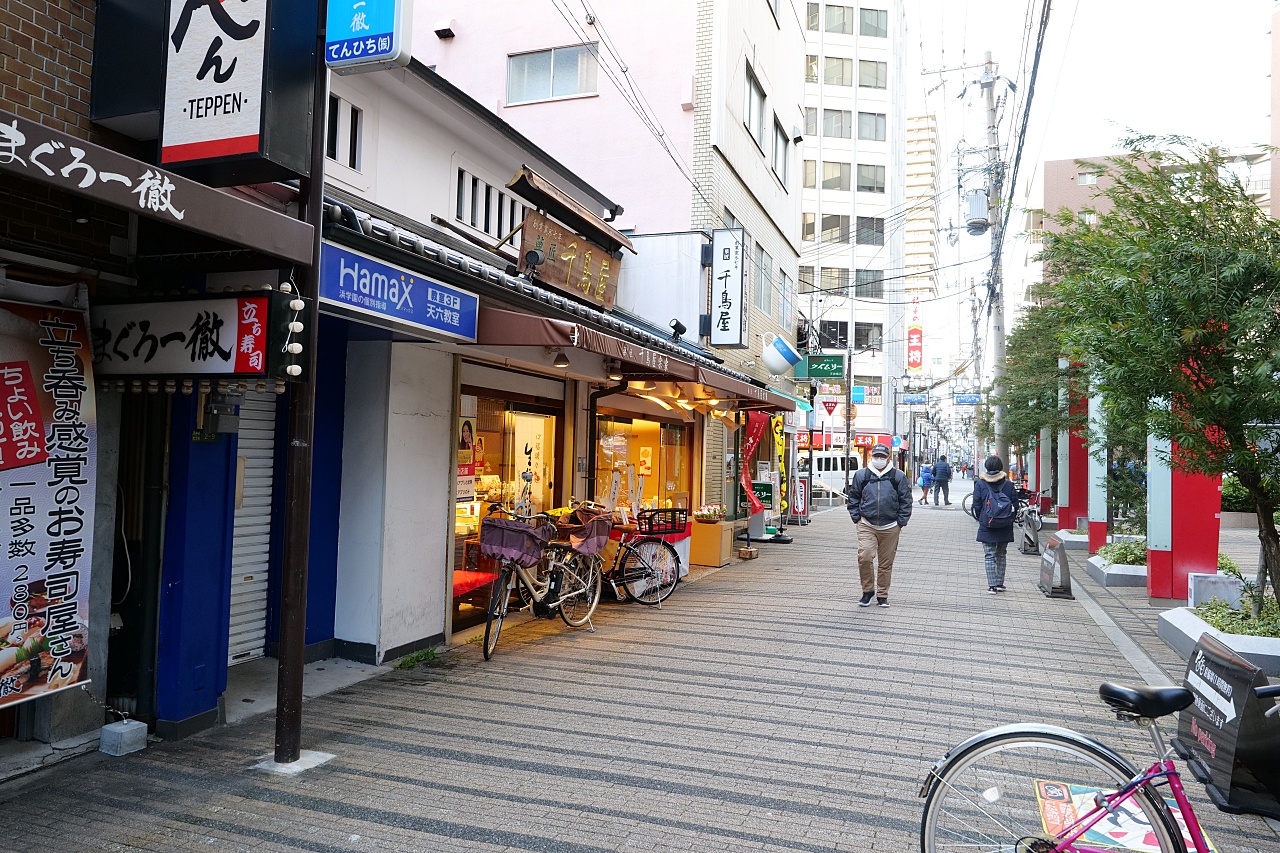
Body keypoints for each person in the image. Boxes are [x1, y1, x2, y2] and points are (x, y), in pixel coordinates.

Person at [846, 443, 913, 607]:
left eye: (882, 457)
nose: (879, 459)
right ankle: (867, 591)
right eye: (876, 456)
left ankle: (882, 595)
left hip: (890, 526)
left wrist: (901, 522)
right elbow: (853, 497)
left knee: (886, 563)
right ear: (871, 456)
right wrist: (856, 517)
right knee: (865, 556)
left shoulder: (897, 476)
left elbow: (906, 500)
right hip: (866, 524)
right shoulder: (862, 475)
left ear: (888, 458)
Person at [973, 455, 1017, 593]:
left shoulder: (980, 484)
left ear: (986, 467)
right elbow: (1015, 505)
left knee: (989, 555)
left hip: (988, 524)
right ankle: (1000, 583)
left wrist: (983, 518)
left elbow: (976, 504)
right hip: (1005, 524)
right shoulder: (1008, 484)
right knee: (1001, 553)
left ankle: (992, 586)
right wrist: (1009, 519)